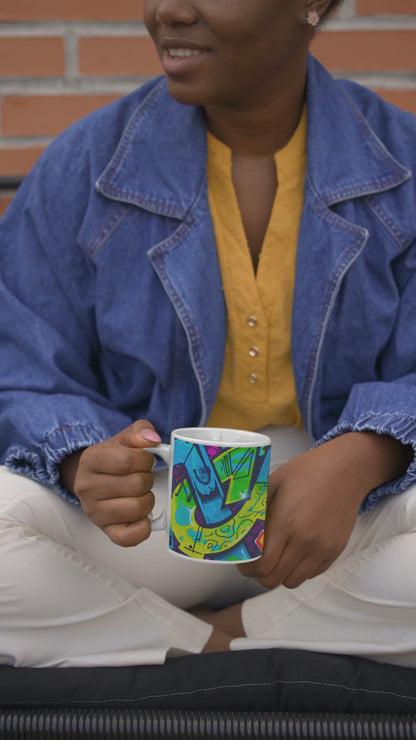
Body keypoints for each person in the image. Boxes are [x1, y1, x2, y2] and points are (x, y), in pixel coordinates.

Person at [1, 0, 416, 668]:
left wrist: (367, 453)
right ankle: (228, 644)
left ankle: (149, 644)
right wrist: (82, 460)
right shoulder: (87, 163)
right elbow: (18, 360)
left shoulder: (404, 167)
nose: (168, 9)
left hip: (342, 519)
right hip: (156, 520)